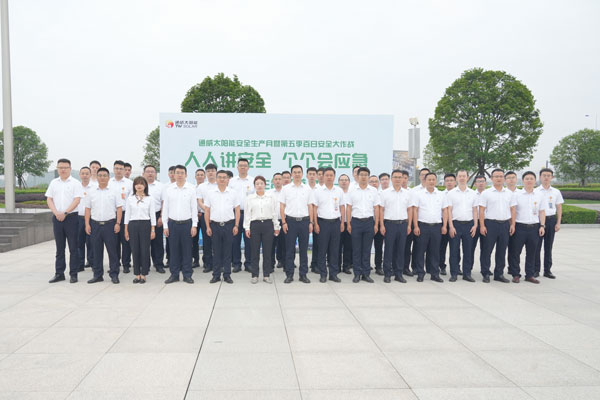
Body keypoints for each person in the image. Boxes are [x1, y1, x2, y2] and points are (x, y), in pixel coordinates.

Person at [46, 158, 83, 283]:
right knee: (59, 248)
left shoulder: (75, 183)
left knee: (73, 247)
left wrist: (65, 212)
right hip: (57, 218)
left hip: (71, 218)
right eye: (60, 167)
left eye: (65, 167)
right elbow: (49, 199)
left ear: (70, 169)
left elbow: (77, 200)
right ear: (57, 169)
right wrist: (56, 213)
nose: (63, 170)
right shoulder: (53, 183)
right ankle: (59, 273)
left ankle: (73, 274)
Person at [85, 167, 122, 284]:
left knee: (112, 251)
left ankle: (114, 274)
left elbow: (119, 208)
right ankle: (97, 275)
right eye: (100, 175)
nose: (102, 178)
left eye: (105, 175)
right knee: (96, 252)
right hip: (95, 225)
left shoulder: (114, 191)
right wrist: (87, 224)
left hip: (110, 225)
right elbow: (87, 209)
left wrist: (118, 223)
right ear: (96, 177)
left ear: (108, 177)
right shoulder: (91, 192)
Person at [478, 168, 516, 283]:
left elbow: (513, 210)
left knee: (501, 250)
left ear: (504, 178)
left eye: (501, 176)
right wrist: (482, 226)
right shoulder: (486, 193)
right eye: (496, 176)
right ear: (491, 178)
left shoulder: (509, 193)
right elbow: (481, 210)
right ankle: (485, 273)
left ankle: (499, 274)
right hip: (490, 224)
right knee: (487, 250)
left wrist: (512, 224)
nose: (499, 178)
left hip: (504, 224)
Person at [510, 171, 547, 284]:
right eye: (527, 179)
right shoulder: (516, 195)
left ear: (535, 181)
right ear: (523, 180)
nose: (529, 181)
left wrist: (542, 225)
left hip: (534, 227)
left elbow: (542, 211)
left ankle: (529, 275)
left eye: (531, 178)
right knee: (515, 252)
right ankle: (516, 274)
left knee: (532, 253)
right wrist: (512, 225)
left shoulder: (539, 195)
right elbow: (513, 211)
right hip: (519, 227)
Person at [162, 165, 197, 284]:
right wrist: (165, 225)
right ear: (174, 174)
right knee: (173, 251)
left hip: (187, 224)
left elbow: (194, 208)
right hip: (172, 224)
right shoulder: (169, 189)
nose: (180, 175)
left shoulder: (191, 189)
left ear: (186, 175)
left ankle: (187, 275)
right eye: (177, 173)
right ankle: (174, 274)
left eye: (182, 173)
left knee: (187, 251)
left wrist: (194, 225)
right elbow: (165, 208)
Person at [280, 165, 315, 284]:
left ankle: (303, 275)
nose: (297, 174)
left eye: (299, 172)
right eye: (294, 172)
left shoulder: (307, 189)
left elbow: (310, 206)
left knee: (303, 250)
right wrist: (283, 222)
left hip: (304, 222)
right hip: (290, 222)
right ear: (291, 174)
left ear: (302, 174)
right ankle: (289, 274)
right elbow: (282, 206)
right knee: (289, 250)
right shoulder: (286, 189)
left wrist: (311, 222)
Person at [204, 170, 240, 284]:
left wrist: (236, 225)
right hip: (215, 225)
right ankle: (216, 275)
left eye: (224, 177)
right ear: (216, 179)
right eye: (220, 177)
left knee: (228, 251)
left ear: (228, 179)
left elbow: (237, 210)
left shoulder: (233, 193)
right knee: (216, 251)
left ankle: (227, 275)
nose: (222, 179)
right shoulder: (210, 193)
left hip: (229, 225)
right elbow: (207, 210)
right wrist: (207, 226)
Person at [346, 167, 380, 283]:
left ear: (368, 177)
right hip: (356, 222)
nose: (364, 177)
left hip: (369, 222)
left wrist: (376, 224)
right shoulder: (352, 190)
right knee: (356, 250)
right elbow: (349, 207)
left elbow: (376, 208)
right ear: (358, 176)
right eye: (362, 175)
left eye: (366, 175)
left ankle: (366, 274)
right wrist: (348, 223)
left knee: (367, 249)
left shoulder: (373, 191)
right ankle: (357, 274)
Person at [244, 176, 281, 283]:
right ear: (254, 186)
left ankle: (266, 275)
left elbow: (274, 213)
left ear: (265, 185)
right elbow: (247, 214)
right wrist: (247, 228)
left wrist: (276, 226)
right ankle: (254, 275)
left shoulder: (270, 197)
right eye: (257, 184)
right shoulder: (250, 198)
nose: (259, 186)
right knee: (254, 251)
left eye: (261, 183)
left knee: (267, 251)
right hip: (254, 225)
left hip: (268, 225)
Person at [312, 167, 345, 283]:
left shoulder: (339, 191)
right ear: (323, 176)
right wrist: (315, 223)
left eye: (331, 175)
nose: (329, 177)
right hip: (322, 223)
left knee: (334, 250)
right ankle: (323, 274)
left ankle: (333, 274)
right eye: (327, 175)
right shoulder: (318, 191)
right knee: (322, 250)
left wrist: (342, 222)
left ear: (334, 177)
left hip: (336, 223)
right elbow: (314, 208)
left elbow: (342, 207)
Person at [412, 172, 447, 283]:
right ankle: (420, 273)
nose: (431, 181)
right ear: (425, 180)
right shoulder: (419, 194)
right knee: (420, 251)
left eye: (433, 179)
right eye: (429, 179)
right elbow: (415, 211)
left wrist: (444, 225)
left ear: (436, 181)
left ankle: (434, 274)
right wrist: (415, 226)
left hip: (436, 226)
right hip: (422, 226)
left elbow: (444, 210)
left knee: (435, 251)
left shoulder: (441, 194)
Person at [379, 169, 412, 283]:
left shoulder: (407, 193)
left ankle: (399, 274)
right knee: (388, 250)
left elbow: (409, 210)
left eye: (400, 177)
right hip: (389, 224)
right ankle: (387, 274)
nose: (398, 179)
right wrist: (382, 225)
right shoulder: (385, 193)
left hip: (403, 224)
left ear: (403, 179)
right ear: (391, 179)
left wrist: (409, 225)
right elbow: (381, 210)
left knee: (401, 250)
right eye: (395, 177)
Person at [445, 170, 478, 282]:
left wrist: (475, 225)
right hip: (456, 224)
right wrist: (451, 226)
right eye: (460, 176)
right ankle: (454, 273)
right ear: (457, 178)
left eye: (464, 176)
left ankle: (467, 274)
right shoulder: (451, 193)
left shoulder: (473, 193)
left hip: (469, 225)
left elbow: (475, 210)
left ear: (467, 178)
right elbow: (449, 211)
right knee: (454, 250)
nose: (462, 178)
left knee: (468, 251)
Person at [125, 176, 156, 284]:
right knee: (135, 250)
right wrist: (126, 229)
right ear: (134, 186)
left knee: (145, 250)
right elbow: (127, 215)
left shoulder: (149, 199)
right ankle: (137, 274)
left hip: (145, 225)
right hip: (133, 225)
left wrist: (153, 230)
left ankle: (144, 274)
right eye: (137, 184)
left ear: (145, 186)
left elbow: (152, 215)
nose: (139, 186)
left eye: (141, 184)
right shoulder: (130, 199)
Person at [534, 168, 563, 279]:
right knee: (536, 247)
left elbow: (559, 207)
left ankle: (547, 270)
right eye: (544, 175)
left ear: (552, 177)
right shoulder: (535, 191)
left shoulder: (556, 192)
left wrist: (558, 223)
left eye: (548, 175)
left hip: (551, 220)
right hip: (538, 221)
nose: (546, 177)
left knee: (548, 246)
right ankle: (536, 270)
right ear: (540, 177)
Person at [229, 158, 254, 273]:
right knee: (235, 240)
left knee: (249, 240)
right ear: (237, 167)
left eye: (245, 165)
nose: (243, 167)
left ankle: (249, 263)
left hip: (249, 214)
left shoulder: (253, 181)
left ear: (248, 167)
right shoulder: (232, 181)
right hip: (235, 214)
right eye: (241, 165)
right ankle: (236, 263)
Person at [404, 168, 430, 276]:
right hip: (412, 221)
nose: (424, 176)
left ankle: (417, 267)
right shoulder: (413, 190)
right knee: (407, 245)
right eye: (422, 175)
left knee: (419, 246)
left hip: (424, 222)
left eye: (426, 174)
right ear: (419, 177)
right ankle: (407, 267)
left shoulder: (433, 190)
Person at [109, 160, 133, 273]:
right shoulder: (109, 182)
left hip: (125, 214)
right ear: (113, 169)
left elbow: (132, 200)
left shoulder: (129, 183)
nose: (118, 171)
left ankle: (126, 264)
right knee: (113, 241)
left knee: (126, 240)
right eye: (116, 168)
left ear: (124, 170)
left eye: (121, 169)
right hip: (111, 215)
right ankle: (115, 264)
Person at [143, 165, 166, 273]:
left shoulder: (160, 186)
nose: (150, 173)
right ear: (143, 173)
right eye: (148, 171)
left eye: (152, 171)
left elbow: (164, 202)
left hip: (157, 216)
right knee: (144, 242)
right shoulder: (139, 185)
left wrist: (161, 216)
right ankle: (145, 265)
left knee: (158, 242)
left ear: (156, 174)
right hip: (143, 216)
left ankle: (158, 264)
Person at [196, 163, 218, 273]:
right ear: (206, 173)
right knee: (207, 240)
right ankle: (208, 264)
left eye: (212, 171)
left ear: (216, 172)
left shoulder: (221, 184)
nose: (210, 173)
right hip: (206, 216)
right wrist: (207, 209)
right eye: (208, 171)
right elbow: (199, 201)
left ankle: (218, 263)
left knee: (218, 241)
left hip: (218, 217)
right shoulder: (202, 187)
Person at [77, 166, 94, 272]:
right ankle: (80, 264)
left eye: (87, 173)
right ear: (79, 175)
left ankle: (92, 262)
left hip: (91, 218)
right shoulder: (76, 187)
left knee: (91, 242)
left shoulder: (94, 187)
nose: (85, 176)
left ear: (90, 175)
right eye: (82, 173)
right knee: (79, 242)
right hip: (78, 218)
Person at [439, 173, 457, 276]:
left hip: (456, 222)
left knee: (455, 247)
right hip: (443, 222)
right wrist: (444, 225)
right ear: (444, 182)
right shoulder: (441, 194)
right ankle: (442, 266)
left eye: (451, 180)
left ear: (455, 182)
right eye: (447, 181)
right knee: (442, 246)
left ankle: (456, 267)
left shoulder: (458, 193)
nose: (449, 182)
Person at [268, 172, 286, 269]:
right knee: (271, 243)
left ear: (283, 181)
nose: (278, 181)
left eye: (280, 179)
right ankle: (271, 264)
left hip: (284, 220)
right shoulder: (269, 193)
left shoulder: (286, 192)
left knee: (284, 242)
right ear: (273, 181)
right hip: (272, 221)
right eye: (276, 179)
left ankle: (282, 261)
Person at [504, 171, 520, 275]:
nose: (511, 180)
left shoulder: (521, 193)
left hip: (518, 223)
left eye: (513, 177)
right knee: (502, 247)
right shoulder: (502, 192)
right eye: (509, 178)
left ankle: (513, 268)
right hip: (505, 223)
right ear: (505, 180)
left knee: (514, 248)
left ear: (516, 179)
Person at [369, 175, 384, 275]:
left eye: (375, 181)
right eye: (371, 181)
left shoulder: (382, 194)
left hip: (380, 223)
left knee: (379, 246)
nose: (374, 183)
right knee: (367, 246)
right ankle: (366, 265)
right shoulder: (366, 194)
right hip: (369, 222)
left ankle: (378, 266)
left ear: (378, 183)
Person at [338, 174, 353, 274]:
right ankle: (337, 266)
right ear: (338, 182)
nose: (344, 181)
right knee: (337, 246)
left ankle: (346, 266)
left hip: (350, 223)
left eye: (346, 180)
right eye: (342, 180)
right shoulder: (336, 192)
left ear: (349, 182)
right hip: (338, 223)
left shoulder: (352, 194)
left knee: (348, 246)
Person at [192, 168, 206, 268]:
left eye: (202, 175)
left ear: (204, 177)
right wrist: (195, 213)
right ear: (195, 176)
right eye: (198, 175)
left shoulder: (207, 188)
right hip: (194, 216)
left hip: (205, 215)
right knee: (193, 239)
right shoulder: (191, 188)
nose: (200, 176)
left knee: (207, 239)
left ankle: (207, 261)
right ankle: (195, 260)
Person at [471, 175, 487, 268]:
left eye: (482, 181)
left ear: (486, 183)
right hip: (474, 223)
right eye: (478, 181)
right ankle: (468, 269)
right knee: (470, 247)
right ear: (475, 184)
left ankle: (485, 269)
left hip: (486, 223)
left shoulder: (489, 194)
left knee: (485, 248)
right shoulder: (472, 194)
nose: (481, 183)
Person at [307, 167, 320, 274]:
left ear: (316, 176)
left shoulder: (320, 189)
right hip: (304, 218)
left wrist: (314, 222)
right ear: (306, 176)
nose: (312, 176)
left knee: (317, 243)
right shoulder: (303, 188)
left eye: (313, 174)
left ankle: (315, 264)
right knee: (302, 243)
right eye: (310, 174)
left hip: (317, 218)